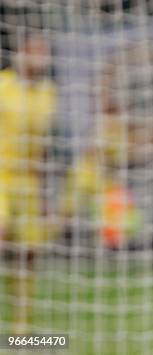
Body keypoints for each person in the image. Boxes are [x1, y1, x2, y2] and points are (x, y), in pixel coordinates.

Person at [0, 30, 56, 332]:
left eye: (45, 52)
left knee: (27, 255)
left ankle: (21, 329)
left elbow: (44, 147)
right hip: (2, 178)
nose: (42, 57)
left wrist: (46, 193)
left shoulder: (48, 92)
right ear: (22, 52)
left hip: (30, 182)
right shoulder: (3, 85)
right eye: (37, 50)